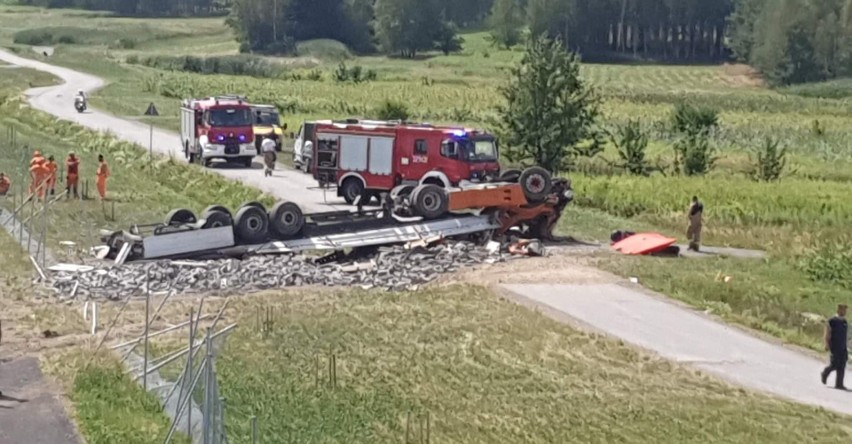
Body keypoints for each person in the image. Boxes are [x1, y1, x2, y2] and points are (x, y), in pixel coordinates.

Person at [821, 304, 848, 390]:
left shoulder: (844, 322)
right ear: (838, 310)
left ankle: (839, 384)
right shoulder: (832, 321)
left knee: (842, 365)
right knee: (834, 364)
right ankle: (825, 373)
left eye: (845, 310)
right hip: (835, 345)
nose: (844, 311)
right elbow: (827, 333)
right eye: (843, 309)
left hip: (843, 346)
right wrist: (826, 344)